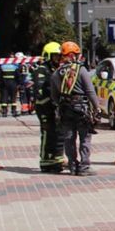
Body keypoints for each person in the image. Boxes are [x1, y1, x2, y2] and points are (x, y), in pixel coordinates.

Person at [54, 41, 99, 176]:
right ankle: (84, 167)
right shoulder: (81, 70)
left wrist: (60, 105)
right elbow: (90, 91)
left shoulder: (57, 72)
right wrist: (97, 107)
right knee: (85, 138)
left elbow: (54, 95)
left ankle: (73, 165)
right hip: (81, 109)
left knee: (69, 138)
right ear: (73, 55)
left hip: (65, 109)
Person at [32, 42, 66, 173]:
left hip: (54, 106)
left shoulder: (56, 70)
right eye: (55, 56)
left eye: (59, 56)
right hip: (44, 107)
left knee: (58, 133)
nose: (58, 59)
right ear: (48, 56)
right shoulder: (41, 70)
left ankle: (56, 160)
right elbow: (40, 90)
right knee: (47, 133)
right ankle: (45, 161)